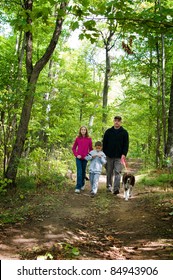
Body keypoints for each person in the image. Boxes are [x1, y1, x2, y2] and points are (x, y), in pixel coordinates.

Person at [102, 116, 129, 195]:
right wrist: (104, 154)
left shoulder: (124, 132)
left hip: (119, 157)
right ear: (113, 121)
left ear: (121, 122)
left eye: (118, 121)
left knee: (118, 172)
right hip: (109, 156)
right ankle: (109, 186)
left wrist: (124, 154)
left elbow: (126, 145)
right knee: (109, 172)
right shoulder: (108, 132)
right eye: (115, 121)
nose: (117, 122)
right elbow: (104, 144)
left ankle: (116, 188)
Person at [72, 126, 93, 193]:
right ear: (80, 131)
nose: (83, 131)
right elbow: (74, 148)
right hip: (78, 158)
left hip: (85, 158)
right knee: (79, 172)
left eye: (84, 130)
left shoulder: (89, 139)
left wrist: (89, 156)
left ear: (86, 131)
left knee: (83, 172)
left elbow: (91, 149)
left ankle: (83, 184)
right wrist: (76, 155)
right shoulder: (78, 139)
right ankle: (78, 187)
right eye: (82, 130)